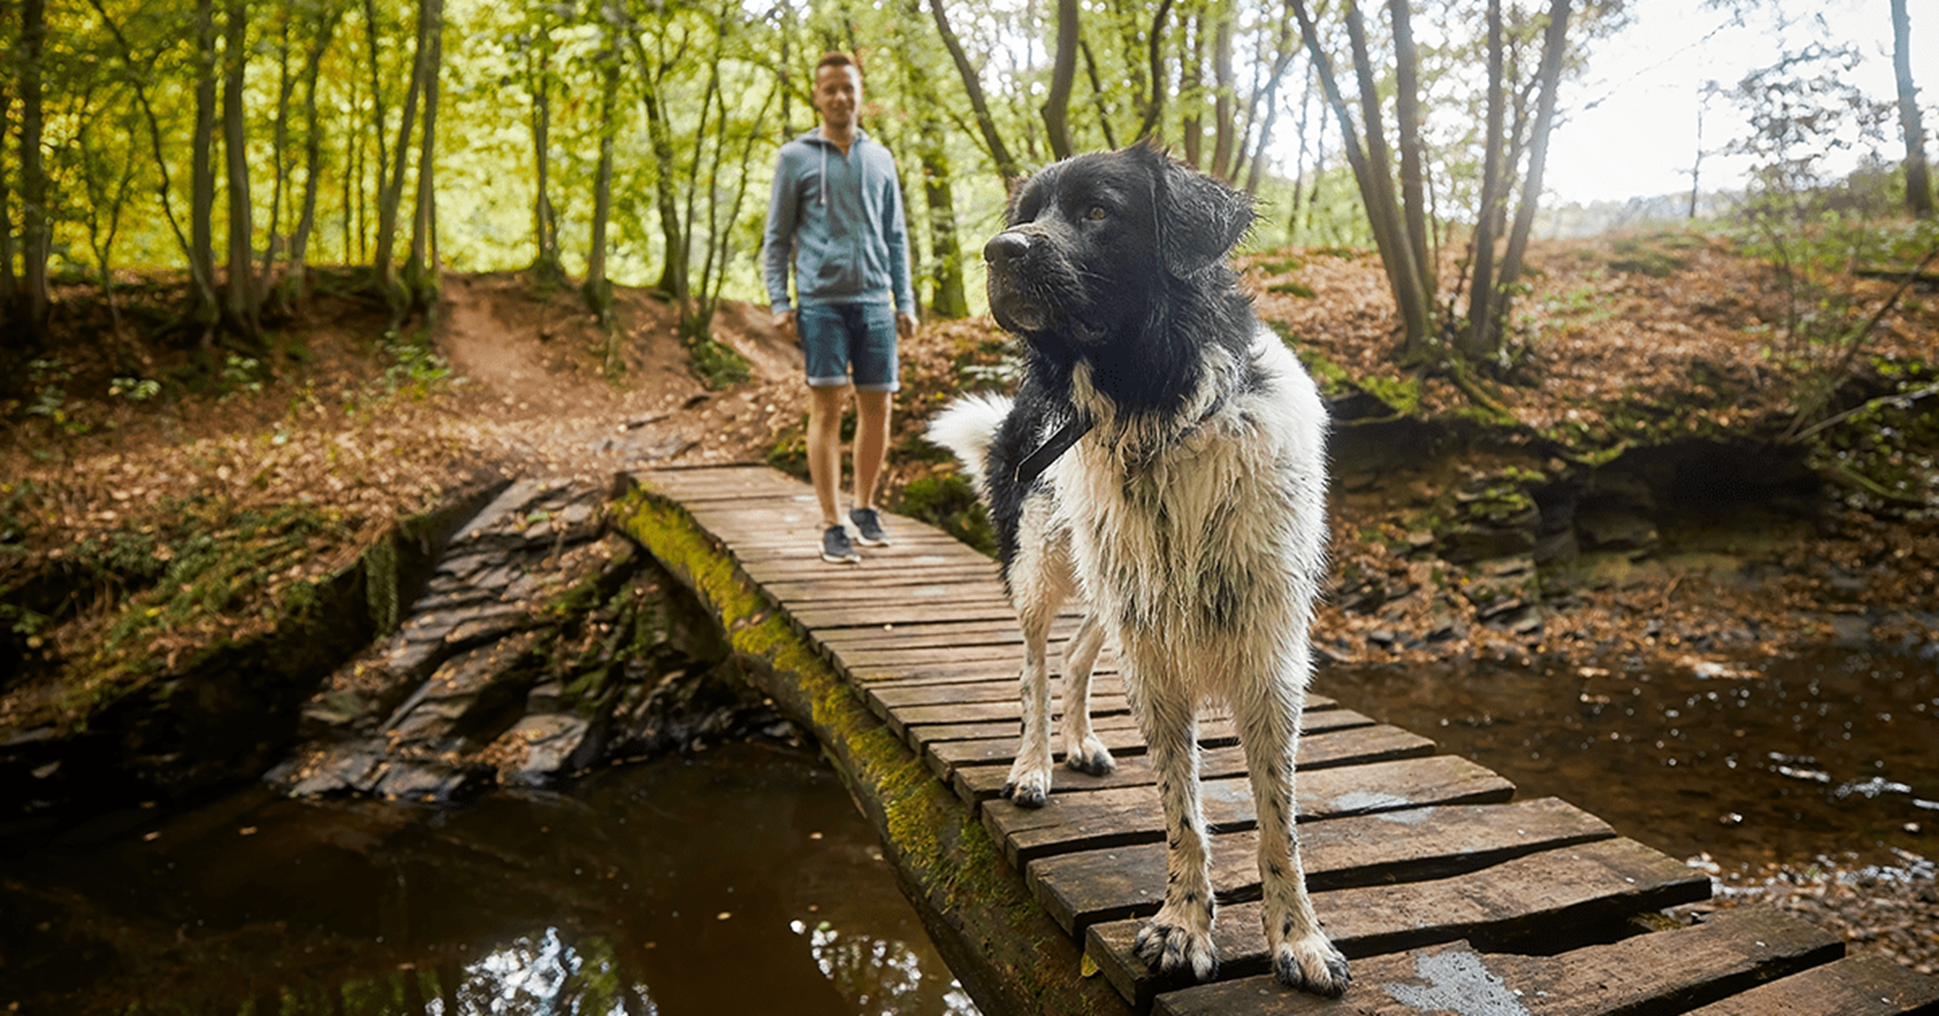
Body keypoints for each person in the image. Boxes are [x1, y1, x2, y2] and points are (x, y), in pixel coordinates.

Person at [763, 51, 920, 565]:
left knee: (879, 408)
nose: (840, 97)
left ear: (859, 92)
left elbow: (896, 236)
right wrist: (781, 301)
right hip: (821, 302)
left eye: (847, 88)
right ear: (817, 95)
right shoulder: (795, 159)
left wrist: (906, 300)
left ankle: (865, 508)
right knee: (826, 408)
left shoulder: (881, 159)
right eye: (829, 89)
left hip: (875, 299)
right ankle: (831, 522)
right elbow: (777, 239)